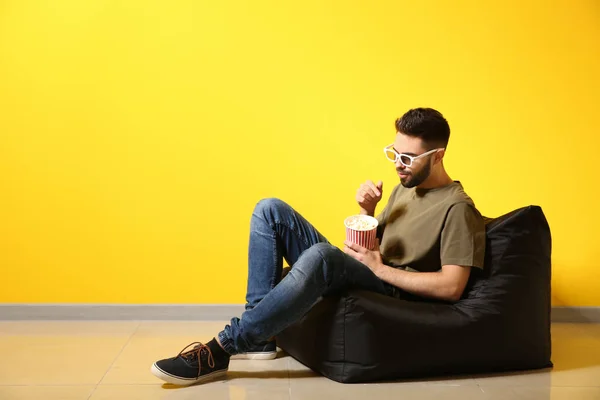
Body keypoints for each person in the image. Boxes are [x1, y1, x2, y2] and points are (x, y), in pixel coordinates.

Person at [151, 107, 486, 386]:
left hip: (393, 292)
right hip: (373, 271)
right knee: (270, 210)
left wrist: (379, 268)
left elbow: (452, 286)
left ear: (438, 155)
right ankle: (262, 336)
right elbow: (372, 245)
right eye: (394, 153)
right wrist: (367, 211)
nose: (398, 163)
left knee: (322, 257)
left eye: (408, 157)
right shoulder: (406, 187)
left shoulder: (457, 209)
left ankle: (223, 347)